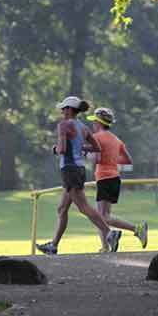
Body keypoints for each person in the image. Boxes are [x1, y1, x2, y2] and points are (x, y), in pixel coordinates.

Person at [36, 96, 122, 255]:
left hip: (69, 169)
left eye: (63, 108)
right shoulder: (83, 127)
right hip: (79, 169)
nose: (62, 111)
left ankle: (110, 233)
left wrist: (55, 149)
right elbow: (96, 148)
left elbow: (61, 150)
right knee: (62, 209)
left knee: (83, 207)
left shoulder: (63, 125)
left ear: (69, 109)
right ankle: (53, 245)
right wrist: (79, 148)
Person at [86, 107, 148, 251]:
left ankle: (137, 229)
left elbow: (96, 159)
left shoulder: (97, 138)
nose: (93, 124)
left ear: (98, 122)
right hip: (114, 178)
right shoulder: (116, 139)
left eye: (94, 121)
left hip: (104, 178)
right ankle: (105, 247)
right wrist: (112, 159)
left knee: (101, 217)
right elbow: (128, 160)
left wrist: (88, 154)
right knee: (103, 214)